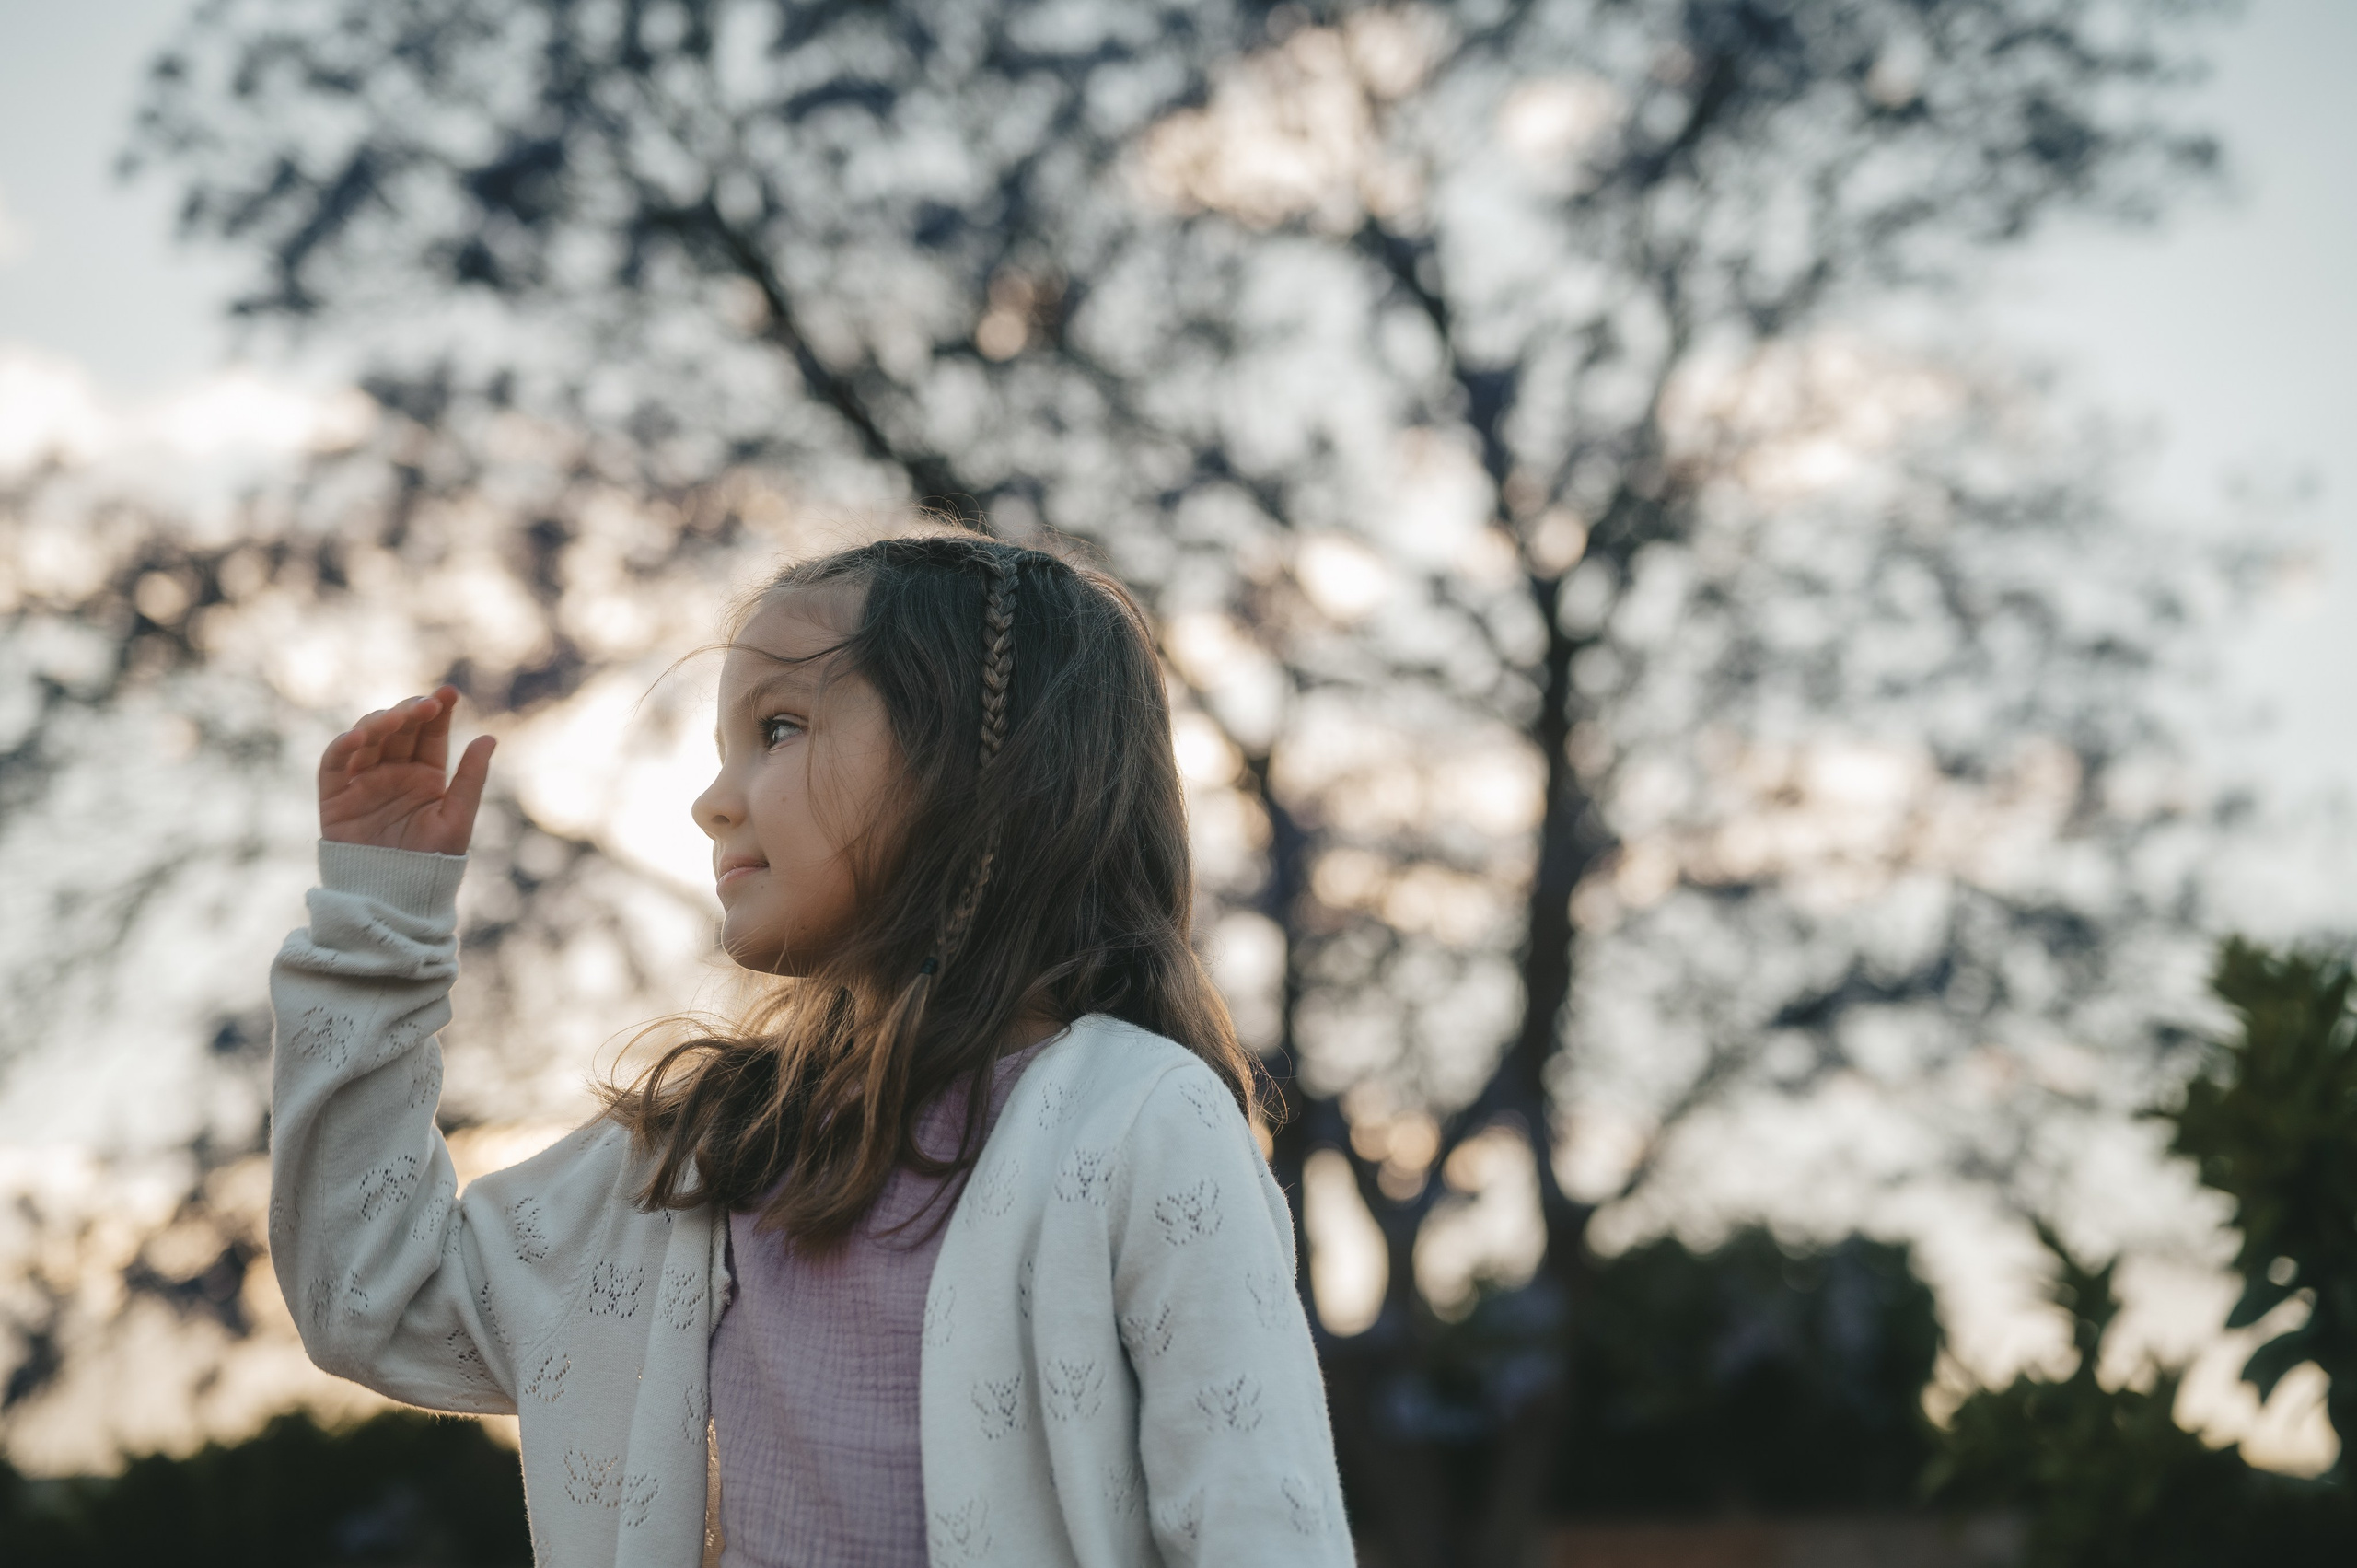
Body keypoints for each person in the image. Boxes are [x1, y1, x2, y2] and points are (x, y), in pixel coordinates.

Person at [266, 532, 1352, 1568]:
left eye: (777, 728)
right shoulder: (702, 1156)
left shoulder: (1141, 1120)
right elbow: (376, 1295)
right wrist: (381, 927)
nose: (711, 800)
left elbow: (1261, 1523)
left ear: (978, 770)